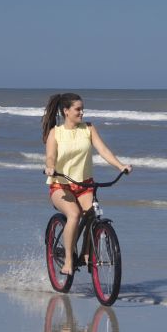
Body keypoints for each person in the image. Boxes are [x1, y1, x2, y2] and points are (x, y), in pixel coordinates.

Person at [42, 93, 132, 275]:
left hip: (85, 185)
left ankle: (85, 253)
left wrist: (120, 166)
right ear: (66, 111)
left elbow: (103, 150)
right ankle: (68, 260)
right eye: (78, 109)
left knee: (92, 214)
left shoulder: (88, 128)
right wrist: (50, 167)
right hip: (61, 186)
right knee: (74, 215)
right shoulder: (55, 133)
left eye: (83, 109)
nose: (82, 112)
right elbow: (50, 156)